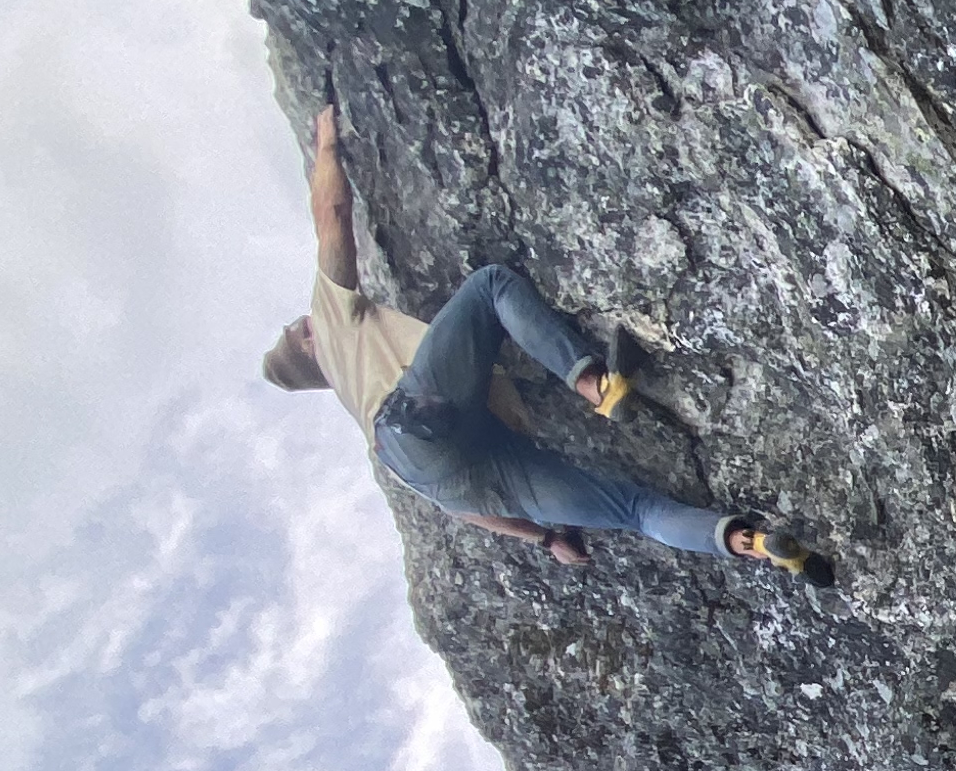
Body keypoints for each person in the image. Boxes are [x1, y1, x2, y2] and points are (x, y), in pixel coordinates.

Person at [262, 106, 823, 577]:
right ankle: (594, 384)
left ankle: (752, 544)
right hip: (417, 419)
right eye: (300, 330)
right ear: (309, 346)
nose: (307, 322)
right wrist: (326, 143)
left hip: (445, 474)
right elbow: (332, 216)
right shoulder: (331, 326)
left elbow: (465, 510)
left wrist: (544, 539)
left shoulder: (356, 406)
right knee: (489, 286)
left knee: (636, 509)